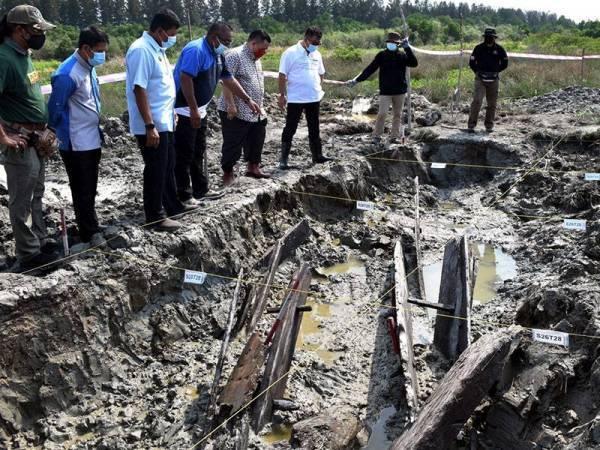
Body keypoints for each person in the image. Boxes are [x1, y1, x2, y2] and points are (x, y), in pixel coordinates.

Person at [0, 5, 59, 273]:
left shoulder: (25, 55)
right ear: (18, 30)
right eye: (36, 30)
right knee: (21, 201)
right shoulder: (3, 57)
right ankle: (28, 255)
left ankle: (40, 241)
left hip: (36, 139)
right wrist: (4, 137)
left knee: (37, 193)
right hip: (20, 139)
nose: (40, 35)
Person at [173, 22, 260, 202]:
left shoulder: (218, 54)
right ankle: (183, 194)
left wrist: (247, 99)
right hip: (184, 109)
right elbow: (185, 78)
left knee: (198, 150)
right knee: (184, 153)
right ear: (214, 38)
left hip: (200, 109)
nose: (228, 45)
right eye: (226, 41)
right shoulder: (196, 50)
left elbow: (228, 78)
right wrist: (193, 110)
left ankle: (200, 189)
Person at [126, 9, 193, 232]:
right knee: (155, 169)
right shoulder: (141, 50)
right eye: (171, 34)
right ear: (159, 30)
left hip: (164, 120)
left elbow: (160, 86)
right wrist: (149, 125)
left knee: (167, 166)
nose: (172, 39)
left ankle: (172, 206)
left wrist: (170, 111)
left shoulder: (157, 48)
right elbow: (139, 89)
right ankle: (155, 216)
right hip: (152, 123)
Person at [48, 26, 109, 248]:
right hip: (75, 141)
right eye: (99, 51)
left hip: (91, 137)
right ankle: (88, 232)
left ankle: (91, 223)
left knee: (91, 185)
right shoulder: (67, 73)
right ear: (85, 48)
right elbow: (55, 109)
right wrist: (57, 133)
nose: (103, 55)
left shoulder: (88, 67)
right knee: (81, 187)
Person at [217, 29, 271, 185]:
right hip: (237, 109)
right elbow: (226, 81)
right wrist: (231, 105)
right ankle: (228, 173)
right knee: (233, 142)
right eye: (263, 48)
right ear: (253, 43)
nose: (265, 51)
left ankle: (253, 167)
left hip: (255, 109)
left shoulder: (256, 58)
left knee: (257, 137)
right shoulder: (235, 55)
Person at [348, 31, 418, 145]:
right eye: (390, 42)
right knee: (382, 113)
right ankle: (377, 135)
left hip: (400, 91)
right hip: (385, 91)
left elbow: (414, 63)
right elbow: (370, 69)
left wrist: (407, 48)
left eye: (394, 42)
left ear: (398, 44)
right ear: (387, 42)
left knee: (397, 114)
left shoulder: (402, 55)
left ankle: (394, 136)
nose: (391, 44)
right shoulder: (381, 55)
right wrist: (357, 80)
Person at [278, 26, 332, 170]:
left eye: (318, 43)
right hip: (296, 98)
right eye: (314, 42)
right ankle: (283, 159)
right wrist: (282, 95)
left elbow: (321, 73)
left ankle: (317, 155)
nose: (316, 45)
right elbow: (282, 75)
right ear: (306, 39)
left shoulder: (317, 55)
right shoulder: (290, 53)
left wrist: (318, 87)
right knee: (291, 127)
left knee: (314, 127)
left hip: (313, 98)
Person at [467, 28, 508, 133]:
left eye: (491, 37)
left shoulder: (500, 49)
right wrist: (477, 72)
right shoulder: (478, 48)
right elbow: (472, 62)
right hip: (480, 79)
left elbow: (505, 63)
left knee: (492, 104)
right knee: (477, 101)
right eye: (487, 37)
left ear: (494, 38)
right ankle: (471, 125)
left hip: (494, 80)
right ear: (484, 37)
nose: (489, 39)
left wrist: (496, 71)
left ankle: (489, 126)